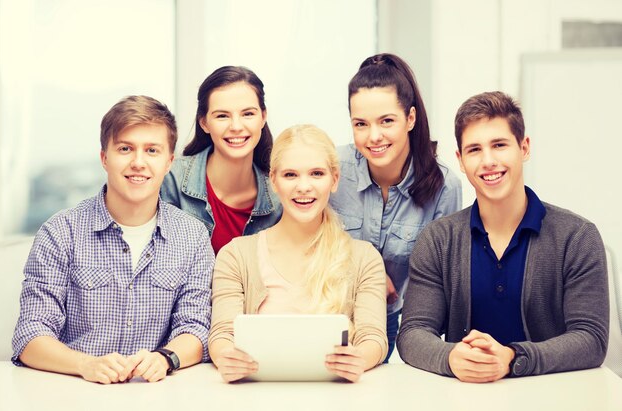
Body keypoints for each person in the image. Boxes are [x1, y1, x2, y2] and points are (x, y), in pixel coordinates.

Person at [397, 91, 609, 382]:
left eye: (499, 145)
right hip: (465, 398)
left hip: (553, 397)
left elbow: (591, 340)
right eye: (474, 150)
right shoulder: (438, 240)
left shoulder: (577, 237)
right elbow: (412, 334)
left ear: (524, 148)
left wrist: (512, 358)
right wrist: (449, 357)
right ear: (460, 160)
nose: (488, 161)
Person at [11, 96, 214, 384]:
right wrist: (86, 365)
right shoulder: (60, 232)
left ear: (169, 161)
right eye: (125, 149)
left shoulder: (192, 237)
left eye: (152, 150)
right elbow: (30, 334)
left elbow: (196, 327)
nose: (138, 162)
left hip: (158, 396)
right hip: (73, 393)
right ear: (105, 157)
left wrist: (165, 357)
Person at [209, 124, 388, 383]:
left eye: (316, 174)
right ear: (273, 180)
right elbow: (222, 334)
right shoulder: (235, 256)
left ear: (334, 180)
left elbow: (373, 338)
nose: (304, 187)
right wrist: (226, 357)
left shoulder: (365, 258)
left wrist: (359, 358)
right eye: (290, 175)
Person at [329, 53, 462, 361]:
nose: (374, 136)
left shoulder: (445, 187)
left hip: (393, 321)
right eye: (361, 124)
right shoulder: (333, 168)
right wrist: (369, 273)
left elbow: (437, 278)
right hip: (327, 313)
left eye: (387, 121)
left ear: (410, 118)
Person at [161, 66, 282, 255]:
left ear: (263, 117)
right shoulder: (171, 180)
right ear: (204, 123)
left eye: (248, 114)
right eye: (222, 116)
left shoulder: (279, 197)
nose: (236, 126)